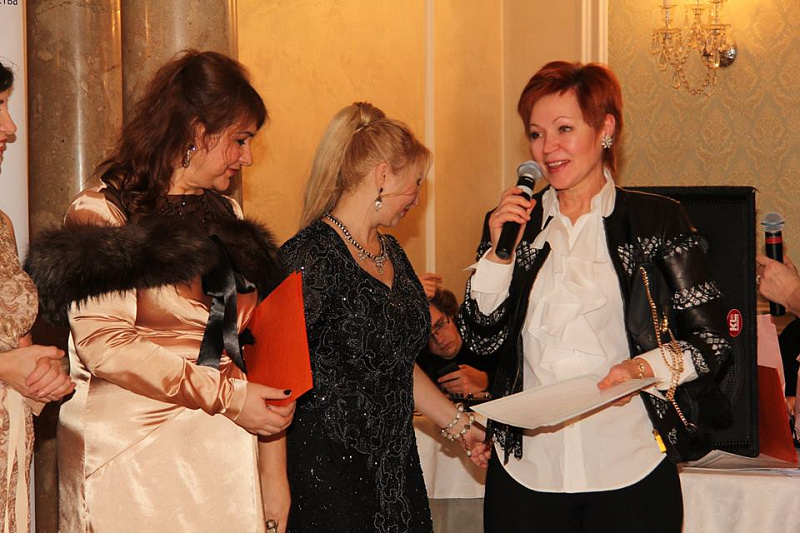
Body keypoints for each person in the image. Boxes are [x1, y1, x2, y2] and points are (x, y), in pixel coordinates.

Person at [25, 51, 295, 532]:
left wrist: (273, 473)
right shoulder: (104, 213)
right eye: (239, 140)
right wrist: (230, 398)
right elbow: (107, 346)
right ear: (196, 130)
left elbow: (253, 349)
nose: (247, 158)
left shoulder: (230, 218)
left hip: (224, 460)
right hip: (132, 466)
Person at [459, 61, 731, 533]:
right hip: (526, 473)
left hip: (630, 464)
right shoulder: (513, 225)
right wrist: (499, 257)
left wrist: (641, 369)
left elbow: (712, 342)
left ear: (606, 129)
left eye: (564, 129)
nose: (548, 148)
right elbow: (481, 343)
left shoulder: (656, 221)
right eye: (537, 134)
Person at [280, 102, 488, 532]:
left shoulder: (392, 253)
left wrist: (459, 424)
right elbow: (275, 379)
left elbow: (395, 365)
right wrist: (272, 485)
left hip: (394, 465)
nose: (417, 197)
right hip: (327, 471)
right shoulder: (307, 257)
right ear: (382, 176)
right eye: (416, 183)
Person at [0, 61, 74, 533]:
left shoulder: (1, 226)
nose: (10, 128)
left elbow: (18, 342)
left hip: (9, 450)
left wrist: (44, 374)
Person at [417, 287, 496, 402]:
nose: (439, 339)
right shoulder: (419, 365)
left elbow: (517, 382)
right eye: (428, 336)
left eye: (440, 325)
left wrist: (487, 381)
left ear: (450, 315)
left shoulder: (486, 340)